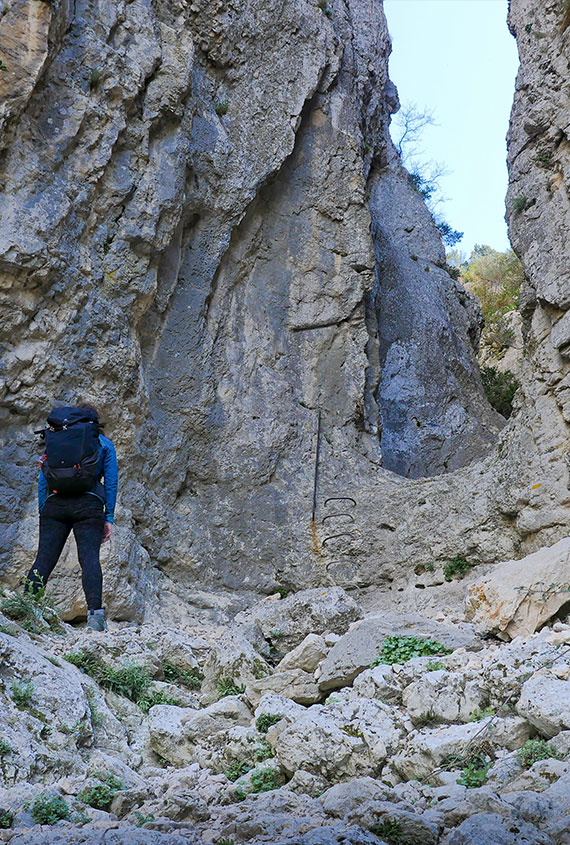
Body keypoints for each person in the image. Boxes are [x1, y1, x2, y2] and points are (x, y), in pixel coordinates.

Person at [26, 403, 118, 632]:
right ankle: (95, 618)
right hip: (89, 506)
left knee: (43, 560)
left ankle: (25, 607)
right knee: (89, 560)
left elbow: (43, 479)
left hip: (55, 505)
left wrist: (43, 510)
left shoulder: (57, 439)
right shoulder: (103, 443)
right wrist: (109, 517)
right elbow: (111, 482)